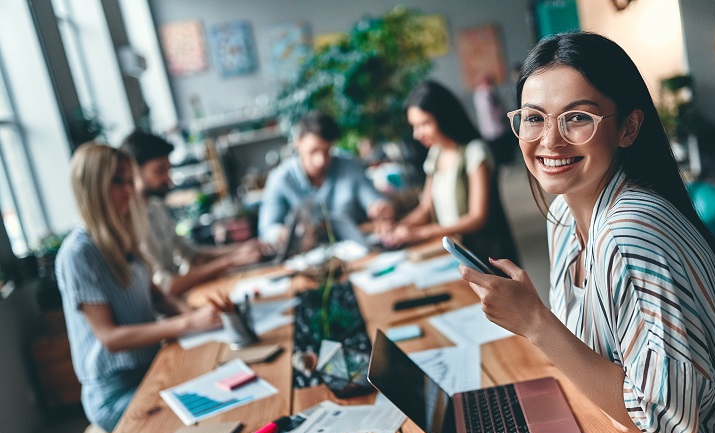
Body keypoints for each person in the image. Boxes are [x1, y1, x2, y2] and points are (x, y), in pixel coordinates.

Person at [459, 31, 715, 433]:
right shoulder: (563, 214)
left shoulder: (631, 229)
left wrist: (536, 323)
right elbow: (601, 369)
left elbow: (659, 419)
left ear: (628, 128)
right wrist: (615, 400)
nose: (549, 140)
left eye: (577, 117)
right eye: (533, 117)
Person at [55, 143, 221, 433]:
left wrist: (194, 315)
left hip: (149, 370)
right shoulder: (78, 252)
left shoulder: (124, 235)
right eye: (117, 180)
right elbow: (110, 338)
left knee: (217, 386)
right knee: (203, 415)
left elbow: (156, 296)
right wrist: (188, 322)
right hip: (115, 392)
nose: (128, 190)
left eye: (129, 180)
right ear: (93, 185)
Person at [380, 80, 519, 264]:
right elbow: (425, 207)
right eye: (414, 126)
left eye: (424, 124)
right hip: (455, 255)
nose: (417, 134)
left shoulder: (475, 152)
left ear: (444, 117)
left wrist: (422, 232)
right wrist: (398, 228)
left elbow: (478, 217)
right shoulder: (436, 153)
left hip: (486, 257)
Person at [120, 130, 266, 297]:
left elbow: (191, 254)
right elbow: (165, 287)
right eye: (159, 170)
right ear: (133, 171)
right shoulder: (129, 221)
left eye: (168, 170)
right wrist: (230, 261)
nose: (169, 179)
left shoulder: (155, 206)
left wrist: (241, 250)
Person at [257, 110, 394, 246]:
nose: (320, 161)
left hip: (355, 250)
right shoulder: (280, 179)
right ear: (297, 142)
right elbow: (267, 229)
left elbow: (372, 199)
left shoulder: (348, 165)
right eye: (313, 151)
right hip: (306, 257)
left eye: (326, 152)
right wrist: (283, 235)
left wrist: (379, 208)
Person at [473, 73, 516, 167]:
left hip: (487, 129)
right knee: (503, 149)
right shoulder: (489, 92)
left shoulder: (478, 93)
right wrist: (504, 114)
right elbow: (494, 109)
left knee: (497, 151)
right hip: (497, 127)